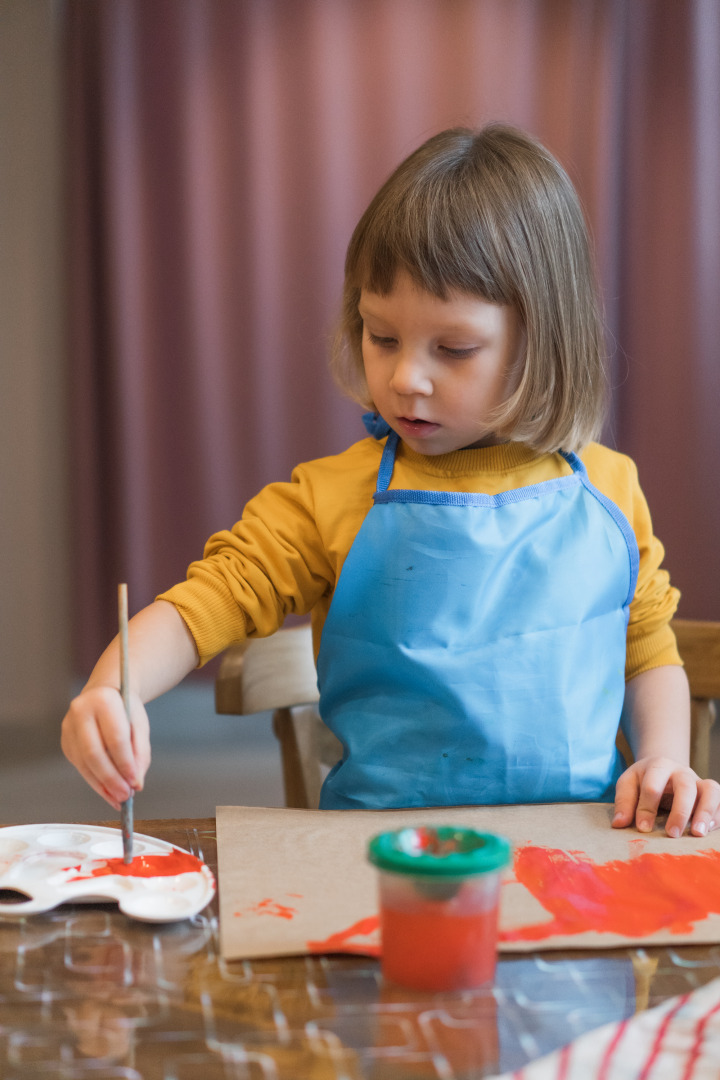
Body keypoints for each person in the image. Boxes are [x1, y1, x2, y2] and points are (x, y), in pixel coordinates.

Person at [62, 124, 720, 836]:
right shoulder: (330, 499)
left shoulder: (610, 490)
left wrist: (662, 760)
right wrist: (112, 687)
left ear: (543, 341)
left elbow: (646, 650)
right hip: (380, 864)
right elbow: (207, 602)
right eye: (382, 337)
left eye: (454, 348)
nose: (405, 378)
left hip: (583, 858)